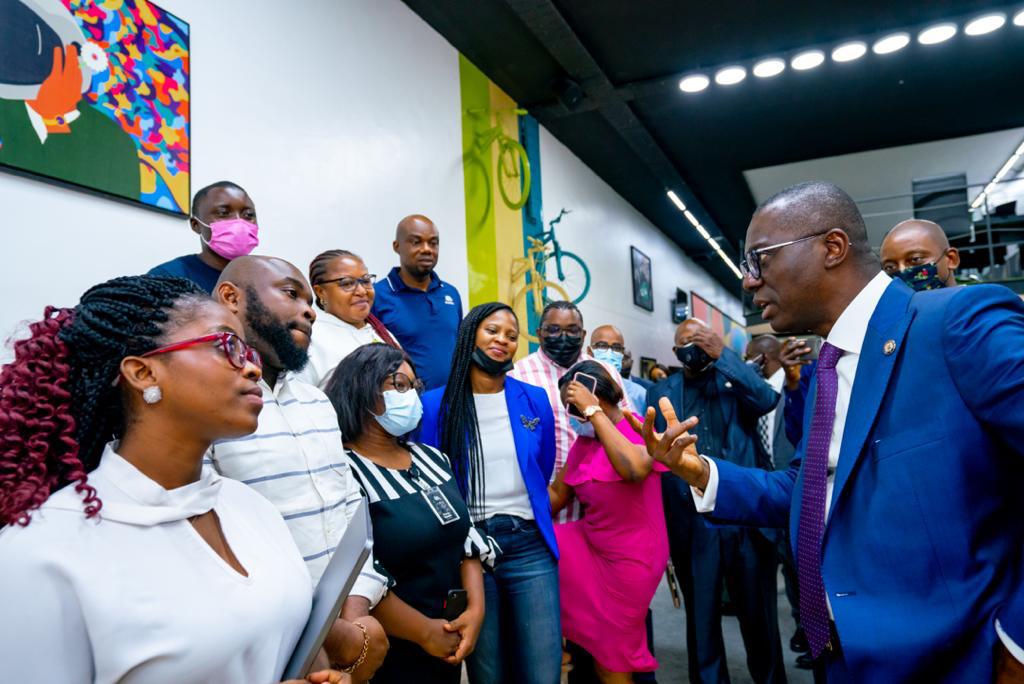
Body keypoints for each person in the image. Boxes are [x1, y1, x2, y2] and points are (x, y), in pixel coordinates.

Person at [637, 181, 1024, 683]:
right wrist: (698, 471)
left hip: (956, 662)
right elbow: (808, 489)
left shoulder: (956, 323)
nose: (749, 282)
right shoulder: (828, 368)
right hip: (842, 656)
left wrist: (1016, 646)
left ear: (833, 248)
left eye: (759, 259)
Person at [0, 275, 343, 683]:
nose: (253, 368)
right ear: (143, 373)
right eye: (227, 345)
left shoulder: (251, 507)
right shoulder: (42, 554)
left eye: (248, 350)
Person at [208, 256, 389, 679]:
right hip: (261, 643)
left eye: (310, 302)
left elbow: (348, 507)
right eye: (292, 294)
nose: (310, 312)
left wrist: (354, 615)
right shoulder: (207, 403)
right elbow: (206, 539)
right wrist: (318, 631)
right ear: (231, 298)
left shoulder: (316, 401)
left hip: (345, 626)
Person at [325, 344, 489, 683]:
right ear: (361, 389)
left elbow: (467, 539)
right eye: (398, 385)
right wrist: (425, 632)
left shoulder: (433, 458)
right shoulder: (342, 471)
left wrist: (475, 610)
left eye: (414, 387)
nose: (411, 396)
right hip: (388, 648)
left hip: (450, 635)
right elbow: (357, 573)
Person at [419, 302, 561, 684]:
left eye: (511, 336)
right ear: (470, 334)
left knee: (543, 670)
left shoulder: (534, 400)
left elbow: (542, 466)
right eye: (492, 331)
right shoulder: (434, 405)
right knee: (488, 672)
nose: (503, 340)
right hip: (468, 551)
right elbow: (429, 479)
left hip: (529, 545)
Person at [649, 318, 785, 684]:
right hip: (692, 522)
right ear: (675, 351)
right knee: (702, 622)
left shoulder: (734, 380)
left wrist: (722, 355)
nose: (693, 346)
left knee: (760, 621)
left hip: (744, 518)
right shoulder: (661, 391)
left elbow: (767, 399)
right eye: (686, 341)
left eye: (701, 339)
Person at [549, 360, 670, 683]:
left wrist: (593, 412)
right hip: (591, 546)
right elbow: (558, 494)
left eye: (573, 407)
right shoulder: (585, 443)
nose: (571, 416)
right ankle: (556, 644)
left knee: (611, 656)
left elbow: (635, 469)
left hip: (633, 556)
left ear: (597, 397)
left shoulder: (636, 427)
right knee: (535, 547)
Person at [510, 301, 631, 524]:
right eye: (554, 329)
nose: (563, 336)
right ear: (540, 333)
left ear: (583, 334)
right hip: (548, 497)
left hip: (604, 496)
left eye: (572, 330)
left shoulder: (606, 372)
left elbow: (627, 427)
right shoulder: (518, 375)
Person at [745, 335, 808, 660]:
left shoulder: (795, 383)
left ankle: (819, 636)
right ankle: (804, 629)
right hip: (774, 500)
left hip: (802, 496)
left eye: (749, 358)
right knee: (790, 570)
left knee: (807, 570)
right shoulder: (757, 395)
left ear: (761, 359)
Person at [372, 214, 463, 389]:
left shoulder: (451, 293)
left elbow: (459, 348)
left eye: (433, 243)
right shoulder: (377, 296)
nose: (427, 249)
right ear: (397, 246)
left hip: (453, 399)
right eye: (416, 242)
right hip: (406, 401)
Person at [297, 249, 400, 388]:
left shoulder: (380, 332)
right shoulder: (311, 338)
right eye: (347, 283)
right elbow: (300, 395)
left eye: (366, 281)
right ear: (320, 291)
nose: (362, 291)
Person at [149, 181, 260, 292]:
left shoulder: (264, 277)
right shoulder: (167, 278)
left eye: (248, 215)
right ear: (196, 225)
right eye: (223, 213)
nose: (239, 222)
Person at [880, 218, 960, 291]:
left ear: (951, 259)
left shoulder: (967, 301)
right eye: (890, 267)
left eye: (915, 259)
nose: (902, 270)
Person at [588, 324, 648, 414]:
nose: (609, 353)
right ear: (589, 352)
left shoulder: (639, 394)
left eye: (616, 348)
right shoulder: (580, 389)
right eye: (602, 346)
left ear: (622, 354)